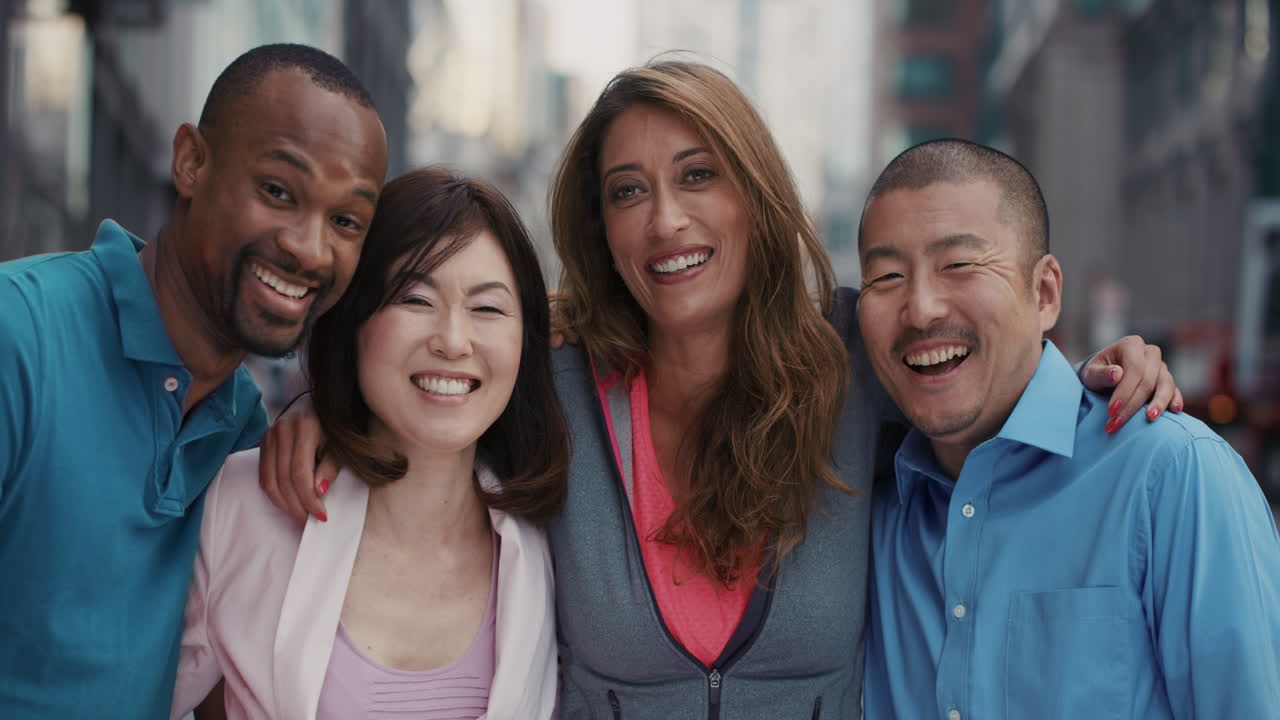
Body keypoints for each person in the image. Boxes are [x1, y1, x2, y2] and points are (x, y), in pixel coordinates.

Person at [259, 61, 1181, 718]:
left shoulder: (854, 357)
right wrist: (322, 419)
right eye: (627, 192)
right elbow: (432, 364)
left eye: (699, 176)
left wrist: (1106, 367)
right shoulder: (556, 374)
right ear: (603, 229)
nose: (666, 220)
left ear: (757, 196)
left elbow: (986, 369)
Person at [0, 44, 388, 718]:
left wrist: (322, 410)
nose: (309, 247)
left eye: (345, 221)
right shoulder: (19, 336)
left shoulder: (247, 435)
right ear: (192, 162)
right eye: (278, 191)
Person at [860, 139, 1280, 718]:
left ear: (1045, 293)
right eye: (885, 277)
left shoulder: (1172, 477)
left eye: (958, 264)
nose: (921, 308)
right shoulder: (865, 504)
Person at [169, 167, 568, 719]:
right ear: (353, 321)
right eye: (414, 299)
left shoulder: (556, 539)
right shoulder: (241, 506)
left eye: (487, 308)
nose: (452, 341)